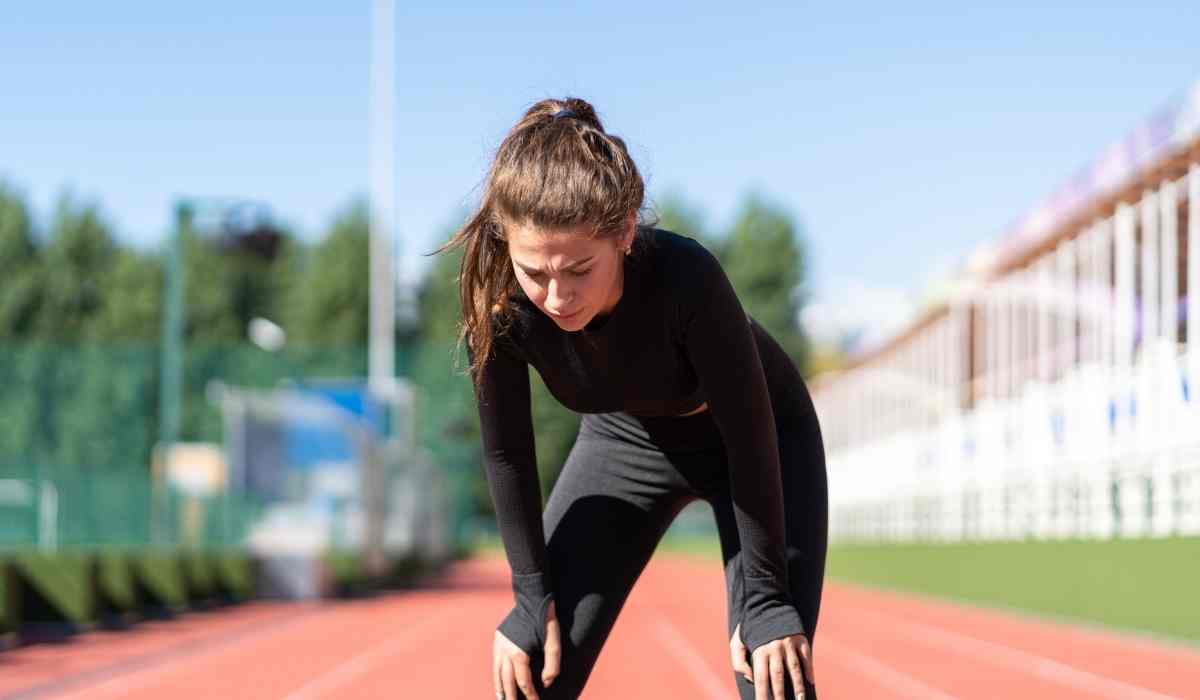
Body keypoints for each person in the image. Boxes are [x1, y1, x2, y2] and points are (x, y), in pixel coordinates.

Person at [438, 96, 828, 700]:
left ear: (623, 233)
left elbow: (751, 442)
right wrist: (527, 594)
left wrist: (768, 599)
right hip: (625, 438)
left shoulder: (687, 278)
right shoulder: (497, 300)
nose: (557, 295)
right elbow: (509, 453)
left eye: (578, 270)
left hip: (756, 443)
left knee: (772, 674)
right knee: (532, 667)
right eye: (535, 272)